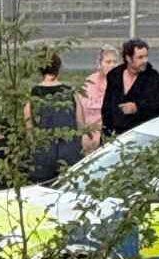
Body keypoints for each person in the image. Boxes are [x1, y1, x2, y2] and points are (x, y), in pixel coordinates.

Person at [26, 52, 83, 183]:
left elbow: (29, 128)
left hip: (43, 154)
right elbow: (81, 123)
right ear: (59, 68)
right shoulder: (71, 92)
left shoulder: (33, 94)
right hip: (70, 152)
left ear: (40, 69)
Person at [101, 38, 159, 137]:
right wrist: (107, 132)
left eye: (146, 56)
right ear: (128, 58)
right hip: (114, 134)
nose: (145, 60)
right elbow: (107, 107)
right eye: (140, 57)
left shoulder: (153, 78)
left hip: (141, 134)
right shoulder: (114, 75)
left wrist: (137, 108)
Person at [78, 45, 119, 153]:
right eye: (108, 62)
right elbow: (81, 109)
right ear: (100, 64)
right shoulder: (90, 82)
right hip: (90, 134)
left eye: (115, 62)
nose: (112, 65)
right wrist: (84, 133)